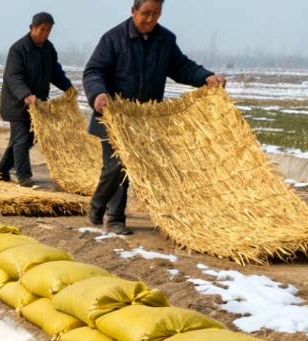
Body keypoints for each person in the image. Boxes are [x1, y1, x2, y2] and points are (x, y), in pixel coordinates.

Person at [83, 0, 224, 234]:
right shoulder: (113, 38)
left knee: (127, 167)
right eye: (145, 13)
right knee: (117, 165)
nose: (150, 19)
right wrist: (98, 94)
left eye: (155, 14)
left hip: (145, 119)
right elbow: (94, 70)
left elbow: (182, 67)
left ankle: (101, 206)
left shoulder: (165, 40)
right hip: (114, 115)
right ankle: (114, 217)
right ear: (133, 11)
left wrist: (205, 77)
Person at [0, 12, 73, 186]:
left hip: (37, 105)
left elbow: (55, 72)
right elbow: (13, 76)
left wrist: (68, 88)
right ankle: (24, 177)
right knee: (22, 138)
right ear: (32, 28)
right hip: (17, 104)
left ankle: (3, 169)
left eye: (48, 30)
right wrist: (25, 95)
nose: (45, 33)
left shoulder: (48, 49)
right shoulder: (18, 49)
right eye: (42, 29)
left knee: (27, 139)